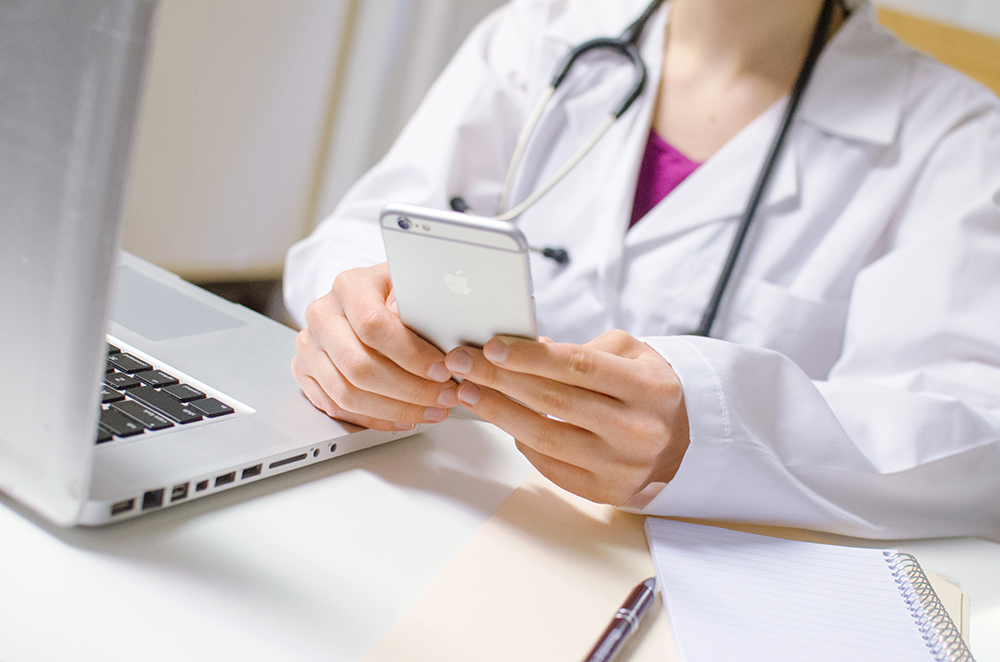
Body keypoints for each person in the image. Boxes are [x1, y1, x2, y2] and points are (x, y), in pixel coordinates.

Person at [284, 0, 1000, 540]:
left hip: (693, 576)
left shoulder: (958, 140)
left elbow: (973, 440)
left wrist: (715, 434)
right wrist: (357, 325)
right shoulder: (539, 37)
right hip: (431, 500)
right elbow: (354, 240)